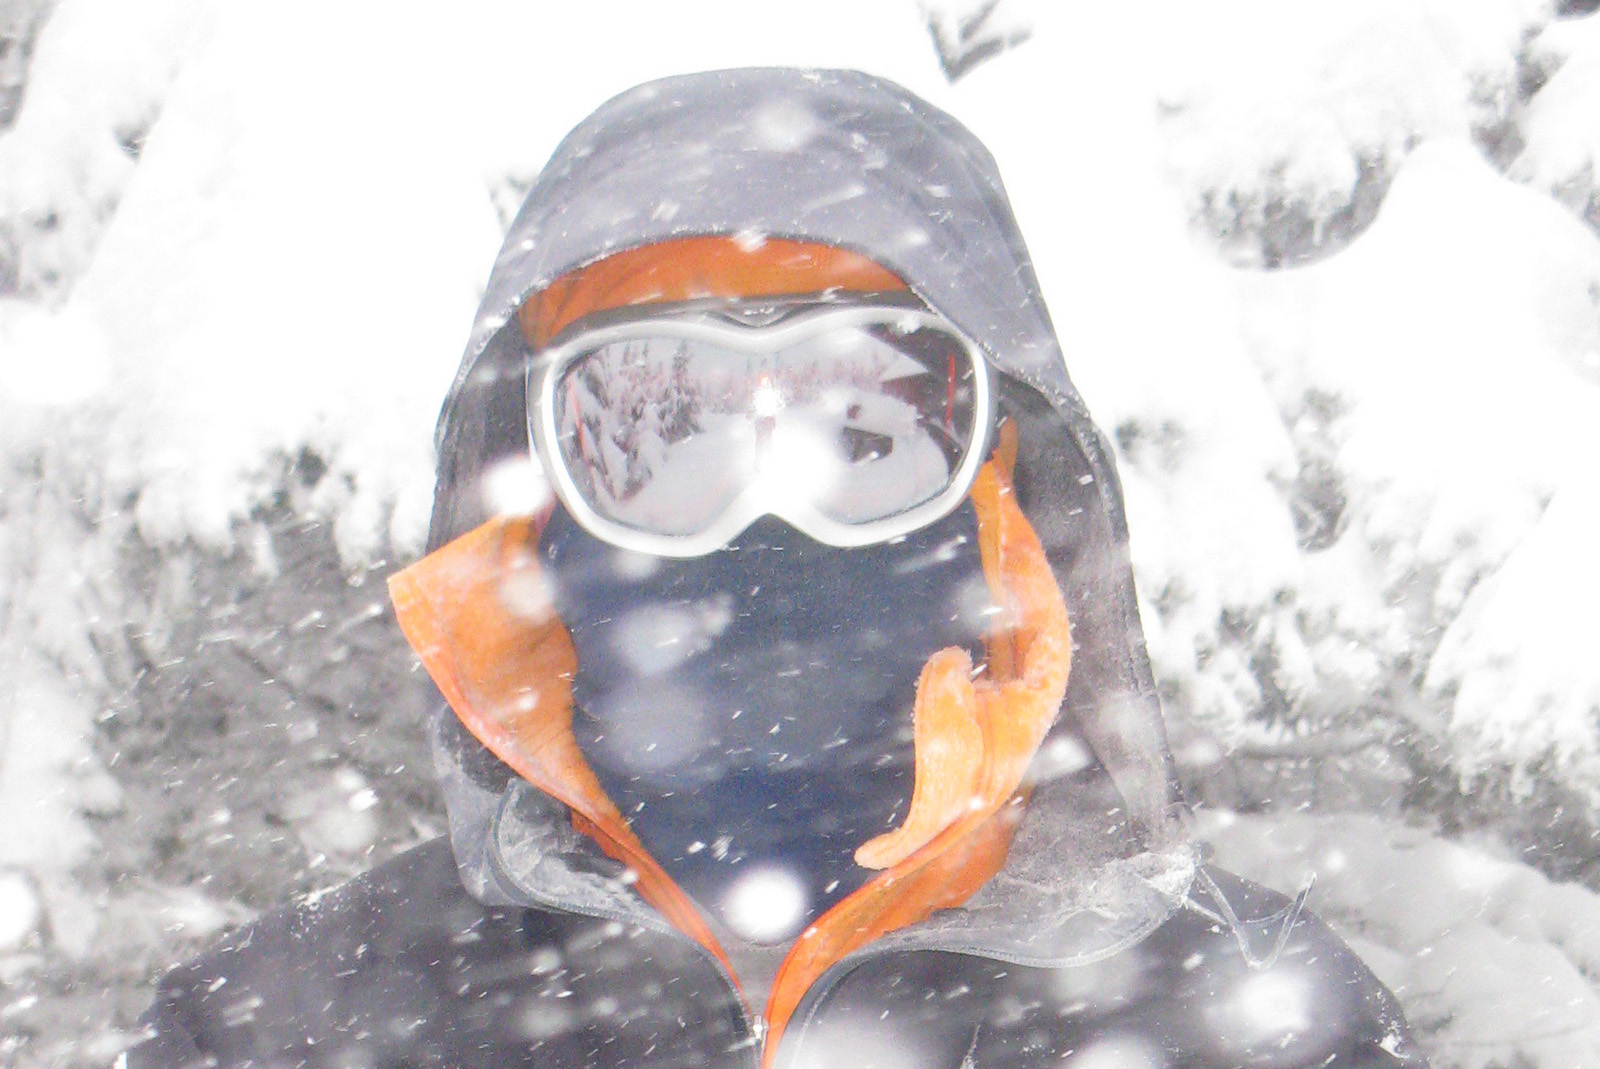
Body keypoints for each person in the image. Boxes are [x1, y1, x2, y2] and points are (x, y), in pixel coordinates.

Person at [125, 68, 1428, 1069]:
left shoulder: (1263, 1028)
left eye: (867, 423)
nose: (765, 509)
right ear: (533, 497)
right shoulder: (279, 1029)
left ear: (1004, 487)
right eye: (656, 427)